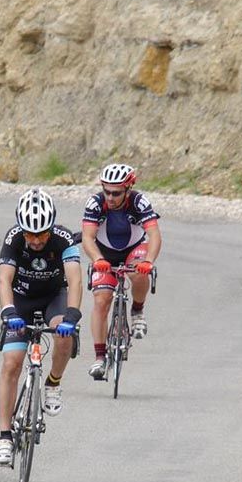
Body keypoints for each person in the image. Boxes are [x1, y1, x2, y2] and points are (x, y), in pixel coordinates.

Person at [0, 188, 82, 465]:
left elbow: (76, 281)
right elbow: (4, 281)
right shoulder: (13, 238)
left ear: (51, 226)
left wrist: (72, 316)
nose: (35, 240)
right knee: (11, 363)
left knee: (64, 336)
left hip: (53, 298)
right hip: (21, 299)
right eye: (29, 234)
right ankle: (5, 437)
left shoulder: (64, 239)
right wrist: (8, 312)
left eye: (41, 233)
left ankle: (53, 383)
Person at [80, 163, 162, 380]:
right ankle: (99, 357)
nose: (110, 197)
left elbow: (154, 234)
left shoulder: (139, 202)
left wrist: (149, 261)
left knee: (139, 272)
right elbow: (87, 237)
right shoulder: (96, 203)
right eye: (106, 191)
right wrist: (97, 259)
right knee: (101, 300)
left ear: (128, 188)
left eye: (116, 193)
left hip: (134, 249)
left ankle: (137, 310)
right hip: (105, 254)